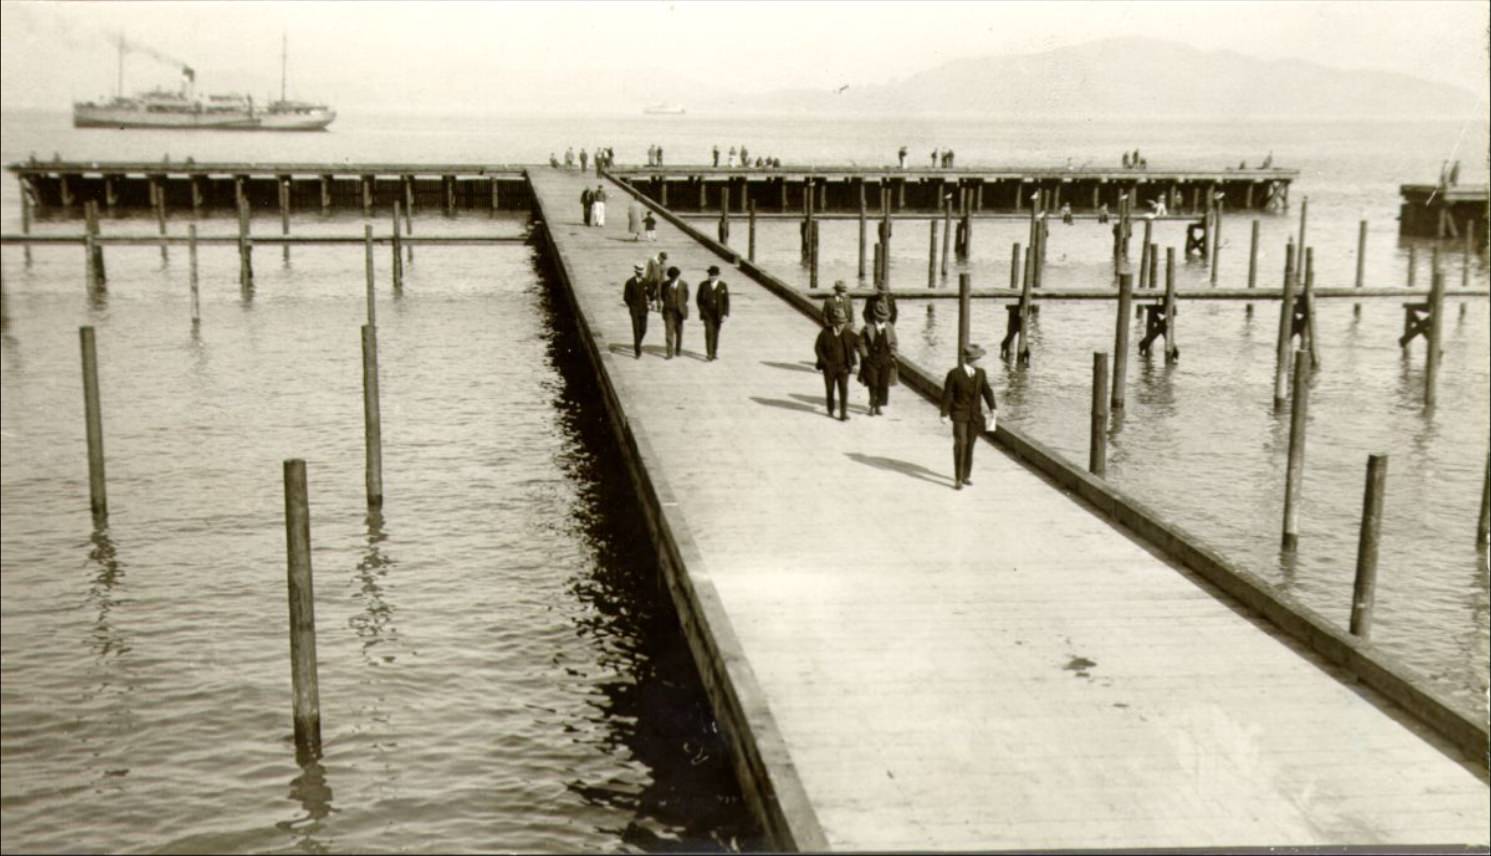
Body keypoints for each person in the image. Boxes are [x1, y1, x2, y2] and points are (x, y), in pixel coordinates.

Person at [939, 344, 997, 490]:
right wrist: (944, 413)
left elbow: (987, 391)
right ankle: (958, 478)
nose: (979, 361)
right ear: (970, 359)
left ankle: (966, 475)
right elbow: (948, 394)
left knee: (970, 445)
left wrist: (993, 408)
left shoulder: (981, 373)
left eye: (979, 359)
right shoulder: (954, 374)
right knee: (960, 443)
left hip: (974, 416)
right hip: (959, 414)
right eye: (977, 359)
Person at [815, 307, 857, 421]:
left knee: (843, 390)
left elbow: (855, 346)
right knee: (830, 390)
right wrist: (824, 362)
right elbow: (818, 348)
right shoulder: (825, 333)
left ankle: (843, 413)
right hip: (829, 368)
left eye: (843, 323)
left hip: (843, 368)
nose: (841, 325)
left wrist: (852, 364)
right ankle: (831, 409)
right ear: (834, 322)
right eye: (839, 323)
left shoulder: (848, 333)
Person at [858, 299, 897, 415]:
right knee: (873, 383)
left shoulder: (889, 327)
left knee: (883, 384)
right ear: (875, 316)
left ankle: (879, 405)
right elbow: (861, 343)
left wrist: (893, 355)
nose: (882, 319)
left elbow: (894, 342)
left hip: (885, 360)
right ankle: (872, 406)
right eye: (880, 317)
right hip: (871, 360)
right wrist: (865, 356)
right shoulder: (867, 327)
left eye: (884, 317)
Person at [696, 265, 730, 360]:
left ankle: (714, 352)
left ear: (718, 276)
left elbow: (726, 301)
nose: (711, 277)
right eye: (710, 275)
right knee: (708, 333)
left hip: (718, 314)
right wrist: (702, 311)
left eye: (713, 275)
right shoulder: (703, 285)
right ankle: (709, 353)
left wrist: (725, 314)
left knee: (716, 333)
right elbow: (698, 300)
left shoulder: (723, 285)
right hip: (707, 314)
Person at [623, 263, 653, 359]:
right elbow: (626, 297)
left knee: (643, 330)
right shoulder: (630, 283)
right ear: (636, 272)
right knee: (636, 330)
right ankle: (637, 351)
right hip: (635, 310)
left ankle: (637, 343)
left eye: (641, 272)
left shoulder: (646, 282)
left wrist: (651, 296)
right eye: (639, 272)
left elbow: (651, 294)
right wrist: (631, 306)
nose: (640, 274)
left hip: (644, 309)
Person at [658, 266, 689, 359]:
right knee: (669, 332)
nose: (673, 279)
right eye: (671, 277)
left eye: (675, 277)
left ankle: (678, 350)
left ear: (678, 276)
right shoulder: (665, 284)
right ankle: (669, 353)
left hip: (679, 312)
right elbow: (663, 296)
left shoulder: (683, 284)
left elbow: (686, 297)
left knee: (679, 332)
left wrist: (681, 305)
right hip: (669, 312)